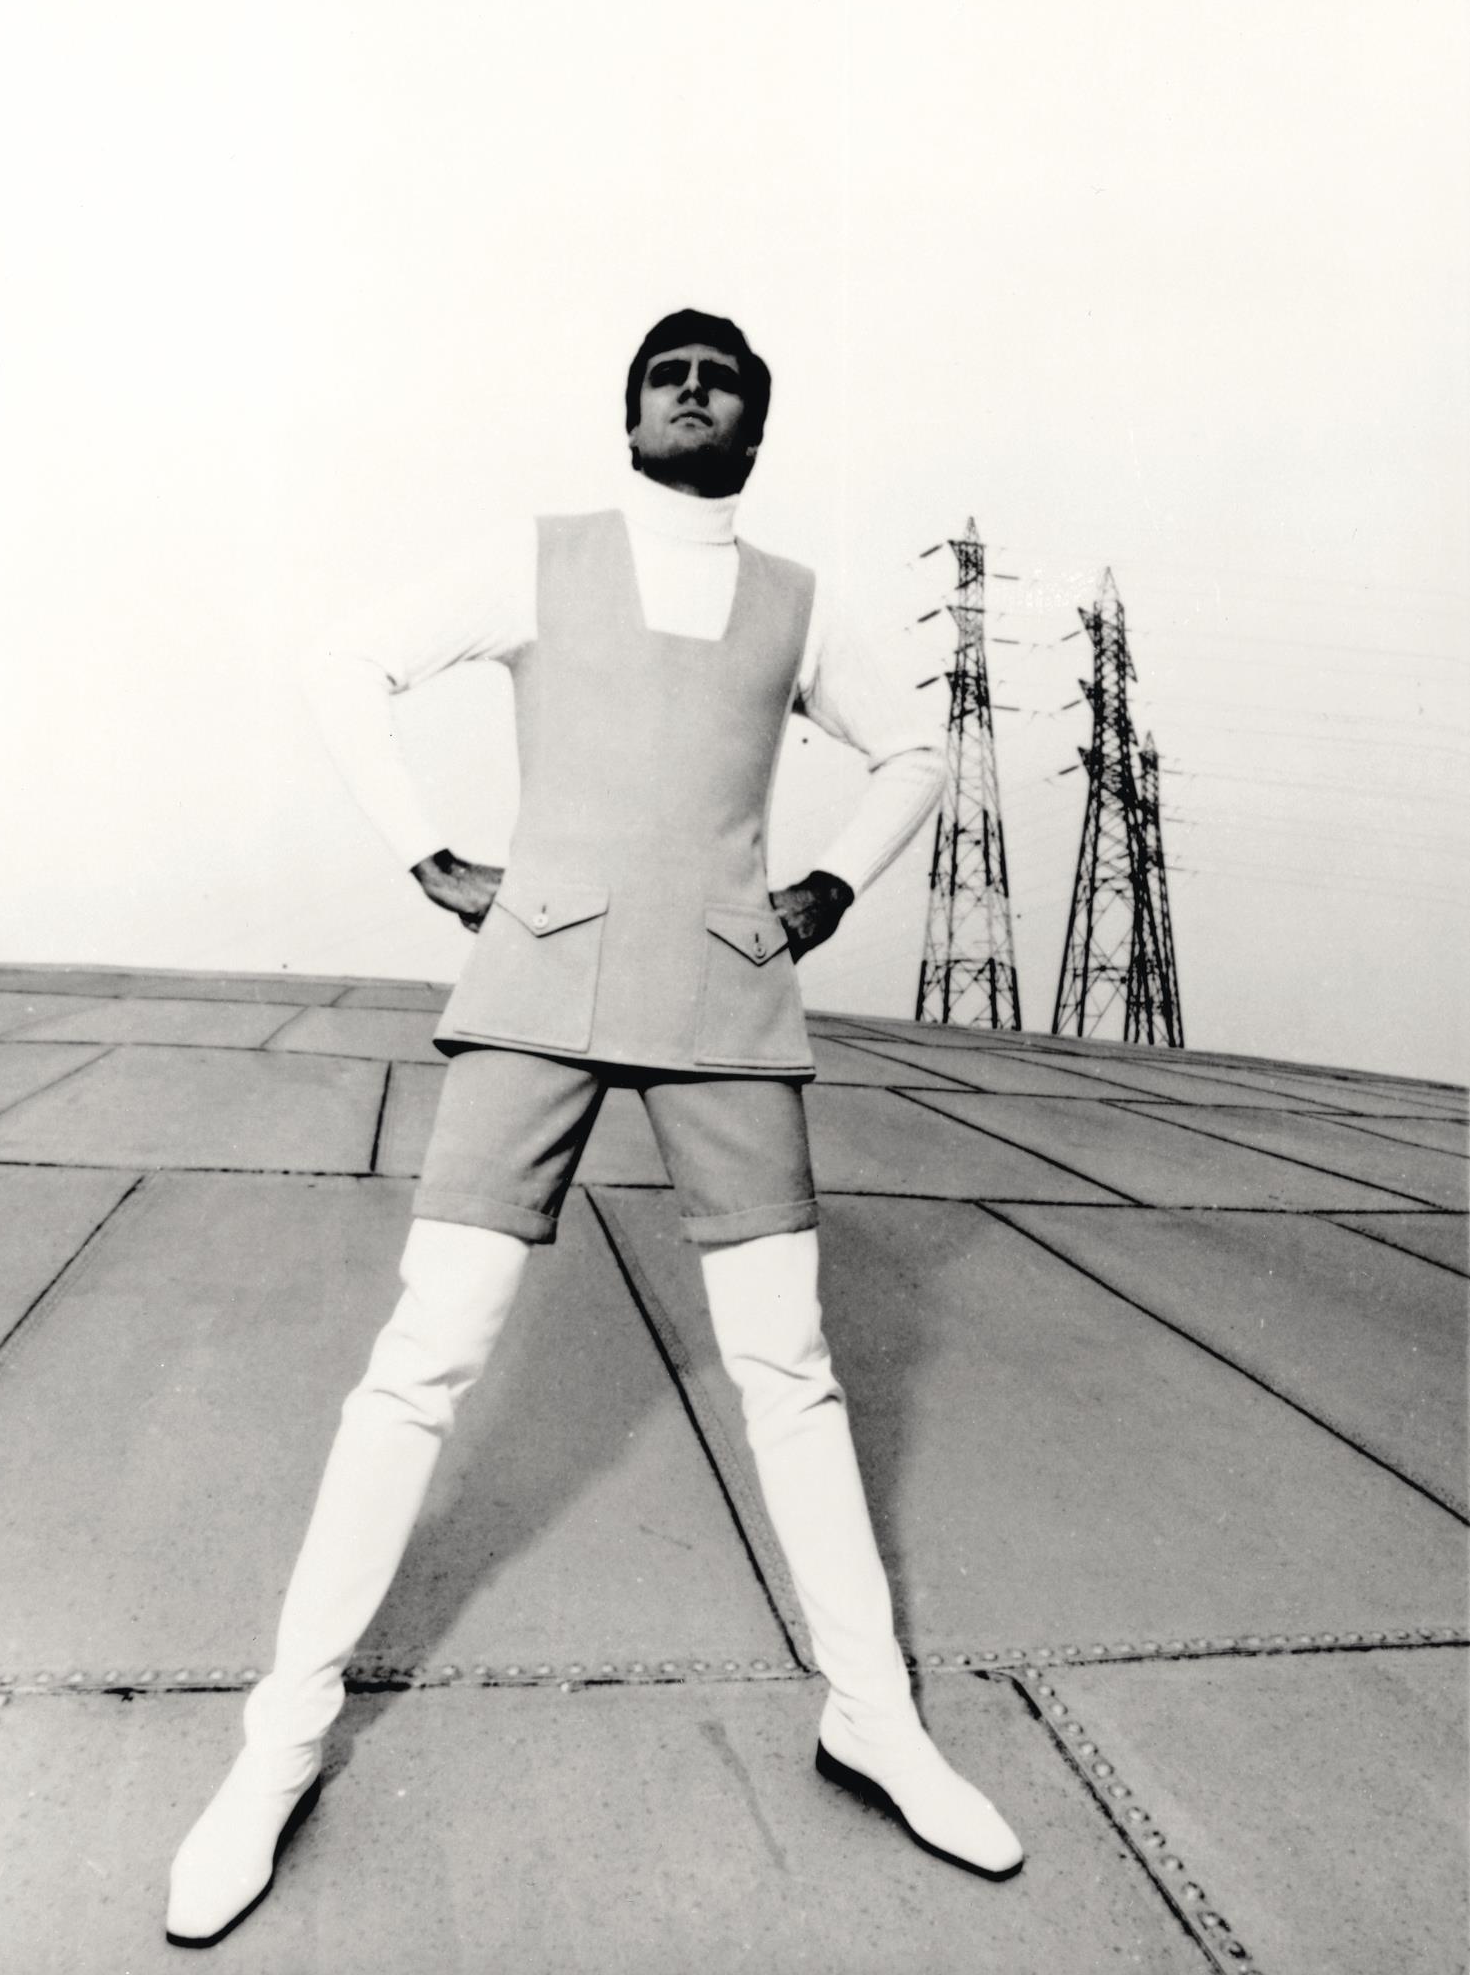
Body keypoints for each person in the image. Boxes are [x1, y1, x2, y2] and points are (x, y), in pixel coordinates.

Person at [165, 309, 1024, 1947]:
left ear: (754, 427)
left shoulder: (800, 602)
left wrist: (830, 884)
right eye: (666, 374)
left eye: (722, 379)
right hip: (538, 980)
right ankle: (278, 1742)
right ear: (629, 412)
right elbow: (346, 664)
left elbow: (915, 746)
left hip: (726, 995)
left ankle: (874, 1719)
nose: (692, 391)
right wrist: (423, 849)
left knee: (790, 1370)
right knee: (422, 1358)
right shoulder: (536, 557)